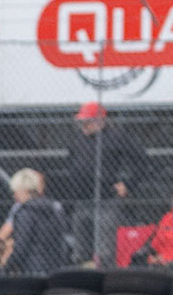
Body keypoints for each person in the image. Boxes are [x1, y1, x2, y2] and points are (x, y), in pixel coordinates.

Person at [55, 102, 143, 266]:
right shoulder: (79, 139)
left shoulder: (116, 137)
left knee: (105, 250)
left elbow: (141, 161)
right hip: (81, 200)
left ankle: (104, 278)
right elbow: (71, 163)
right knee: (81, 249)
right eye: (82, 122)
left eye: (87, 121)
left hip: (106, 200)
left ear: (100, 121)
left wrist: (128, 184)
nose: (84, 125)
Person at [0, 167, 68, 276]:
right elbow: (61, 242)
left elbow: (21, 247)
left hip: (33, 271)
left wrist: (5, 270)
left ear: (24, 190)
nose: (14, 195)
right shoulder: (55, 209)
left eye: (15, 191)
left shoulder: (25, 213)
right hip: (55, 269)